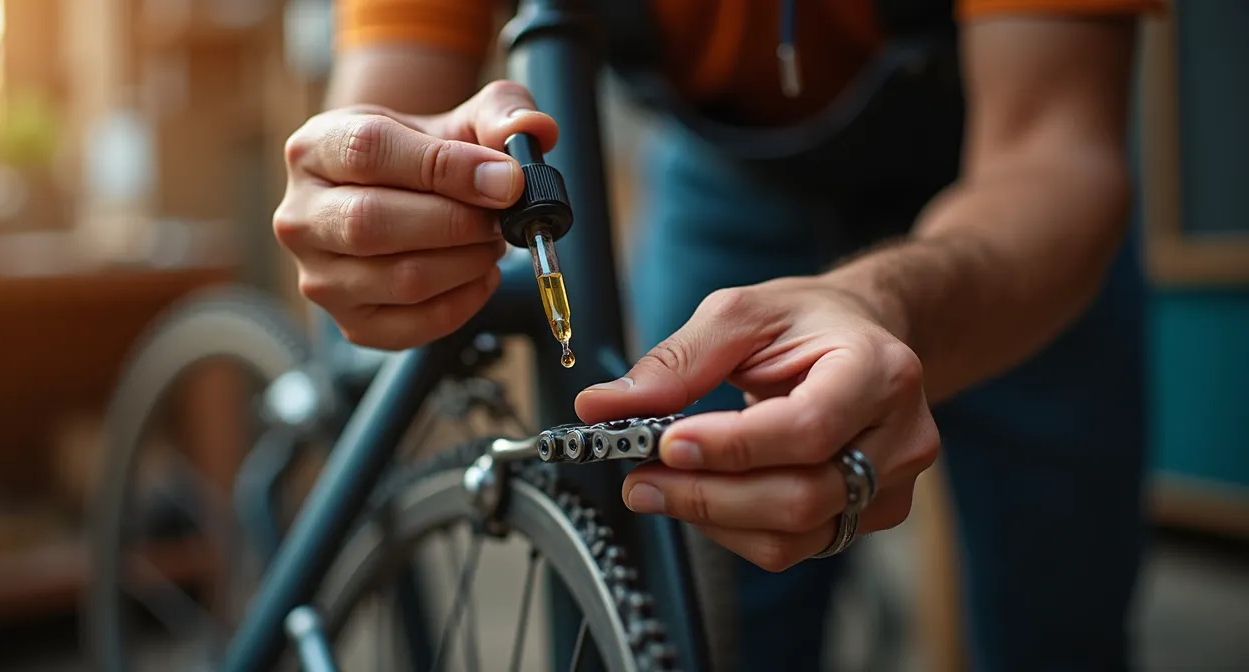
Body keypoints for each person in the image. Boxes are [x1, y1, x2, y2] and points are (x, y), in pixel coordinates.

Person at [273, 0, 1161, 669]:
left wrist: (889, 302)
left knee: (1060, 617)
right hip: (721, 182)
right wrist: (377, 198)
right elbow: (384, 106)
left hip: (1015, 209)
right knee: (722, 610)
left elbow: (1058, 147)